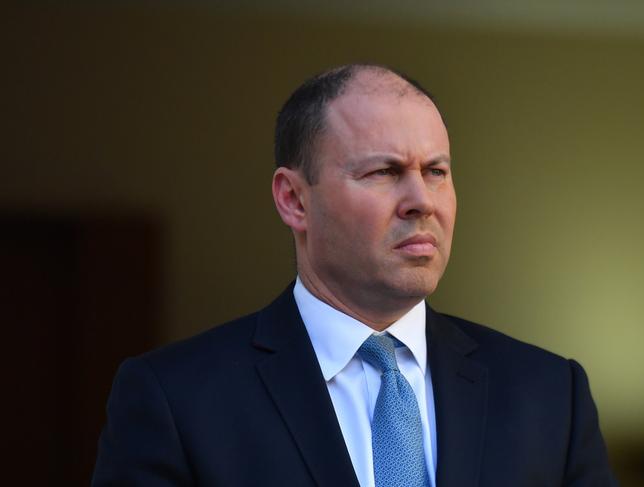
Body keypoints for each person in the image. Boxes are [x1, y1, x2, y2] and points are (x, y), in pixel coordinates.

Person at [93, 64, 617, 486]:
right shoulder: (176, 399)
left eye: (436, 172)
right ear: (294, 199)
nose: (421, 201)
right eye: (384, 172)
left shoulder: (549, 395)